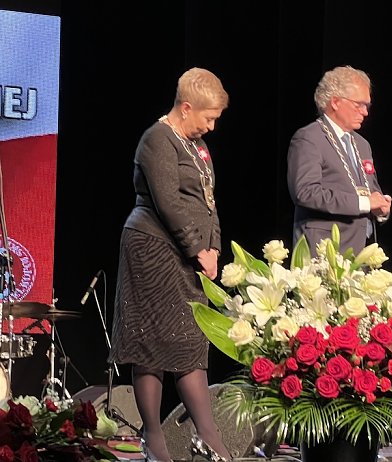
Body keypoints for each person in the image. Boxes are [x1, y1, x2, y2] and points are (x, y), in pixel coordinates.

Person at [108, 67, 232, 462]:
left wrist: (213, 247)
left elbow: (208, 201)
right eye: (208, 118)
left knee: (191, 341)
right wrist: (198, 248)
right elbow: (169, 203)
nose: (211, 127)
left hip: (189, 253)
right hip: (152, 250)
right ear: (186, 106)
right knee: (151, 342)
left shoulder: (196, 146)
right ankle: (152, 436)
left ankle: (207, 436)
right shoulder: (156, 139)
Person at [287, 65, 392, 256]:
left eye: (367, 106)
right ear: (335, 102)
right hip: (325, 250)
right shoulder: (309, 138)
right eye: (359, 104)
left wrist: (381, 207)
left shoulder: (362, 144)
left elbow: (371, 190)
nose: (365, 112)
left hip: (362, 250)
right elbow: (306, 192)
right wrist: (365, 203)